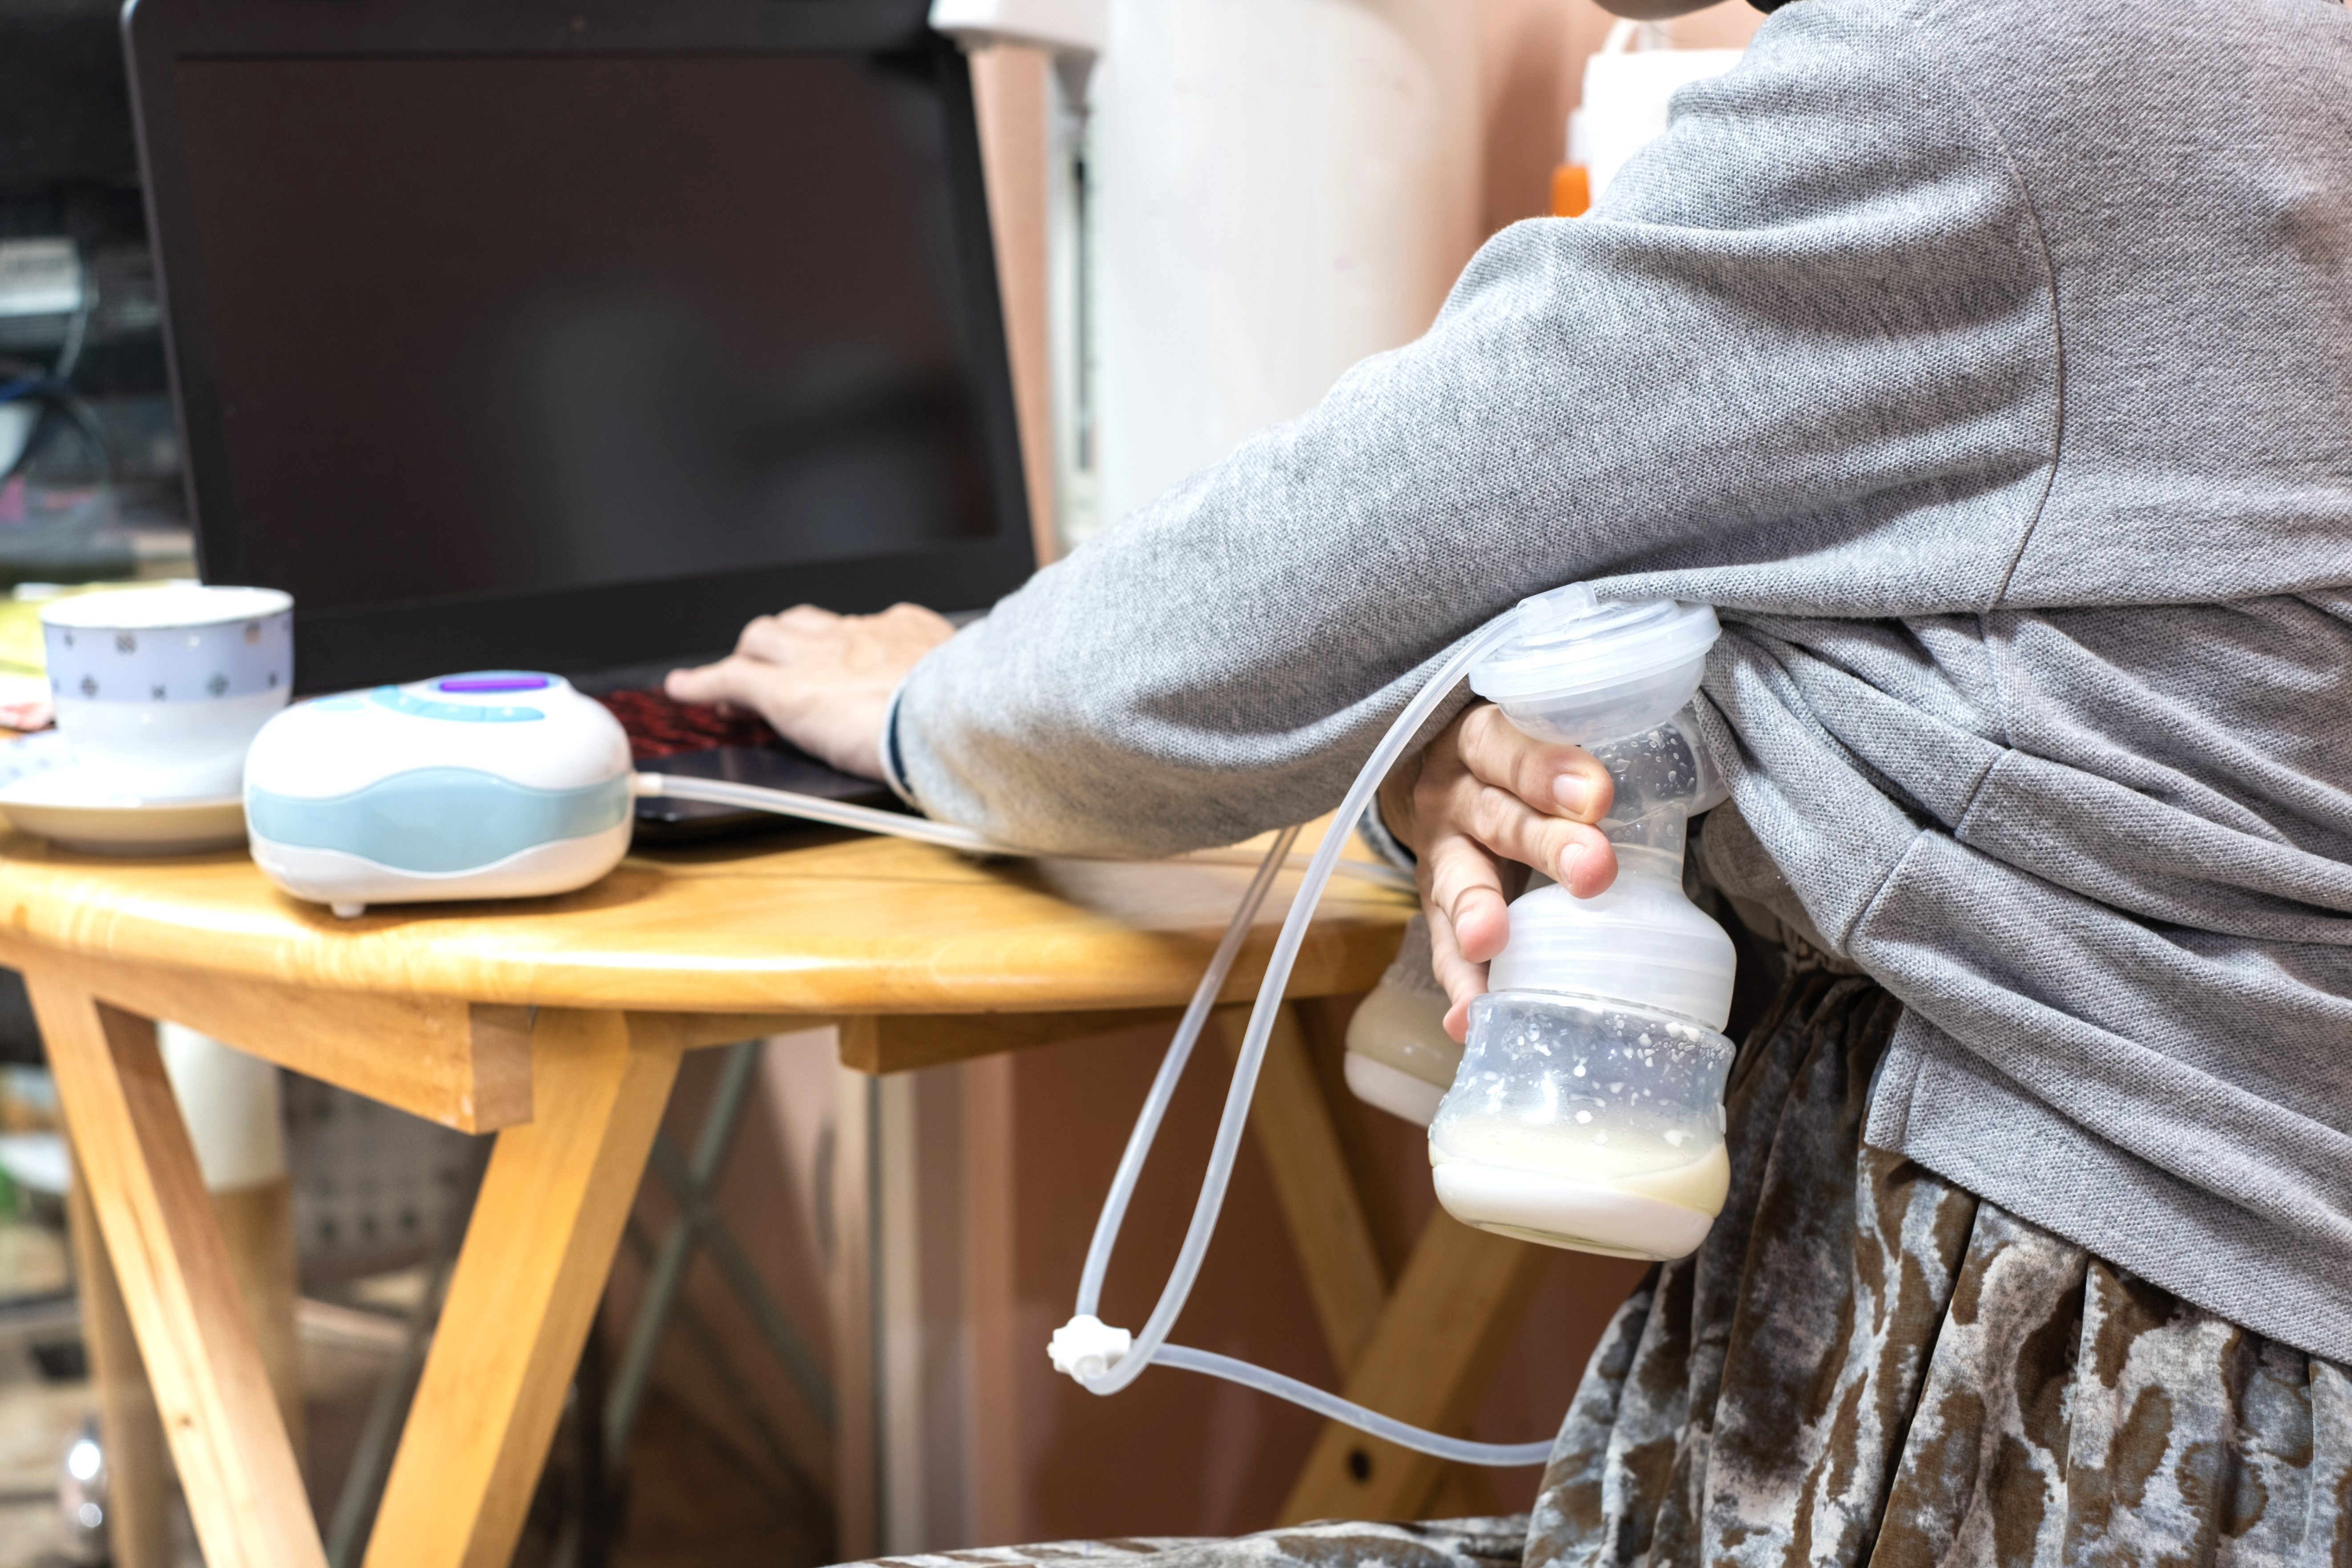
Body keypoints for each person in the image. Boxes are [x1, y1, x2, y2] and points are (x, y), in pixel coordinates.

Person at [668, 0, 2352, 1555]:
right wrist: (1464, 757)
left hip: (2116, 1418)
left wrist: (924, 700)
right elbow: (2056, 689)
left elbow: (1265, 606)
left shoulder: (1996, 78)